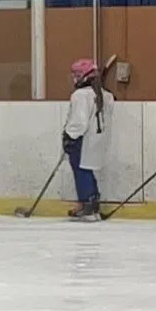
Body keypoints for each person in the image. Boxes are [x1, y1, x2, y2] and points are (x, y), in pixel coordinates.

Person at [56, 57, 111, 217]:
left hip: (82, 138)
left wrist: (69, 136)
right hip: (97, 139)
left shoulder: (80, 95)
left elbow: (79, 122)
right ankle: (91, 201)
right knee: (87, 169)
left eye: (77, 74)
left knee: (81, 171)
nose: (75, 78)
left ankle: (86, 202)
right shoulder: (105, 95)